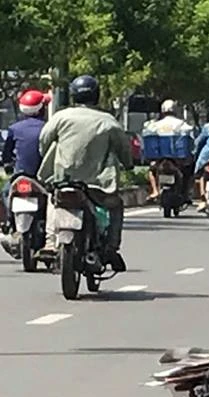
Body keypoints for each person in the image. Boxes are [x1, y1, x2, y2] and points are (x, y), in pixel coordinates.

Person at [38, 75, 133, 271]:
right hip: (97, 186)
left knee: (52, 200)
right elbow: (124, 150)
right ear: (96, 96)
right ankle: (112, 248)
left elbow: (44, 142)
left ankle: (49, 242)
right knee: (116, 206)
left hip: (63, 181)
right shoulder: (109, 122)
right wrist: (128, 164)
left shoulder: (60, 117)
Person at [1, 89, 47, 253]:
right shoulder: (47, 128)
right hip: (43, 179)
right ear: (42, 109)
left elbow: (7, 154)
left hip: (20, 175)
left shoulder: (14, 128)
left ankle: (8, 223)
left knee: (6, 193)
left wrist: (8, 165)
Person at [143, 99, 194, 201]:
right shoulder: (181, 124)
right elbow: (190, 134)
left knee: (152, 170)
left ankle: (155, 191)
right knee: (189, 170)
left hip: (160, 157)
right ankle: (186, 194)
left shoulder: (155, 125)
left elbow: (147, 133)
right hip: (177, 157)